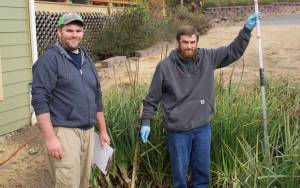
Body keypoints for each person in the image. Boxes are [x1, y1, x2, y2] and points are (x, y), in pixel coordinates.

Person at [140, 14, 260, 188]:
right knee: (180, 177)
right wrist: (146, 122)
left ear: (197, 42)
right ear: (178, 43)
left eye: (192, 42)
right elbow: (151, 99)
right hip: (178, 131)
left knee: (202, 176)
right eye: (185, 43)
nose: (189, 46)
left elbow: (233, 51)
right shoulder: (165, 67)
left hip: (203, 128)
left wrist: (246, 30)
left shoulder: (208, 57)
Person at [31, 12, 110, 188]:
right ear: (59, 32)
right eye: (69, 30)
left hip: (88, 132)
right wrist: (51, 138)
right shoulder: (49, 60)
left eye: (78, 30)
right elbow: (39, 100)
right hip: (65, 131)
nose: (74, 34)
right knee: (67, 182)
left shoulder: (86, 60)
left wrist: (102, 130)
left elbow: (96, 96)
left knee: (84, 181)